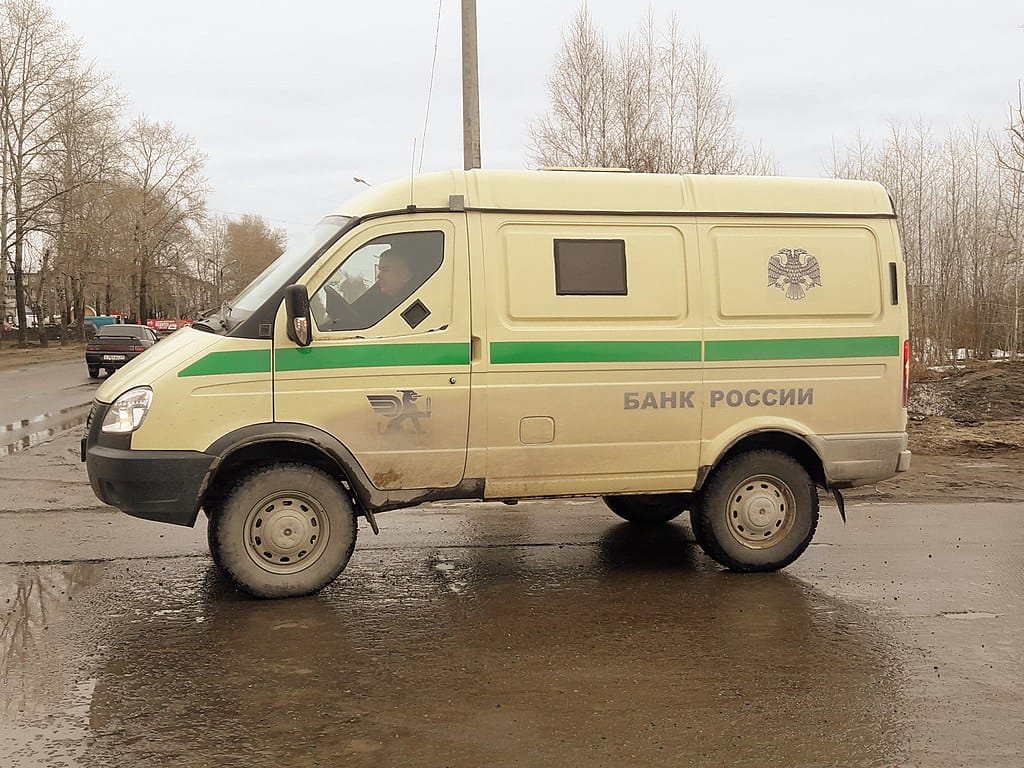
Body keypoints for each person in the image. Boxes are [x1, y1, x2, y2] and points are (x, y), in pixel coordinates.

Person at [349, 246, 416, 327]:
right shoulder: (390, 301)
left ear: (404, 273)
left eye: (385, 270)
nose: (379, 276)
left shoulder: (412, 307)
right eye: (380, 270)